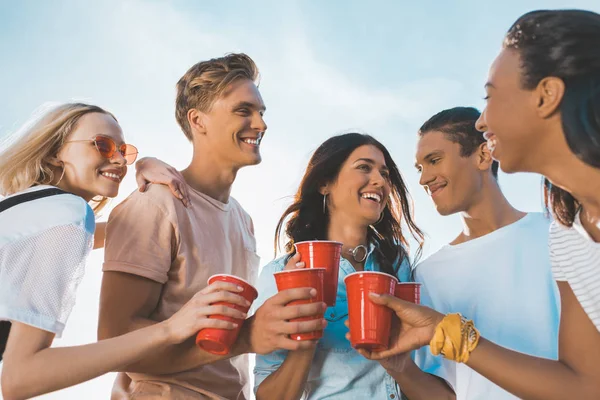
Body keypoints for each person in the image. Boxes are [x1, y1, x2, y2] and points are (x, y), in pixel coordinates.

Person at [356, 9, 600, 400]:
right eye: (418, 167)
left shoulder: (553, 235)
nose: (484, 122)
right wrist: (433, 345)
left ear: (547, 94)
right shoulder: (572, 238)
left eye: (490, 97)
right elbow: (586, 386)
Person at [98, 53, 326, 399]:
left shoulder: (242, 220)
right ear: (198, 120)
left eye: (261, 112)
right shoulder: (155, 204)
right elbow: (115, 343)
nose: (260, 124)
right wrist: (245, 337)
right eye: (243, 110)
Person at [0, 103, 241, 400]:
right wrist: (170, 329)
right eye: (102, 145)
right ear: (55, 152)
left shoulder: (28, 208)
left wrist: (146, 164)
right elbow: (19, 378)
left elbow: (115, 231)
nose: (119, 160)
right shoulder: (67, 214)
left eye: (123, 151)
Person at [379, 107, 559, 400]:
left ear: (483, 155)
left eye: (434, 160)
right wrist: (400, 368)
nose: (424, 179)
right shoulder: (428, 275)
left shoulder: (558, 234)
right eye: (420, 168)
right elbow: (446, 395)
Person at [253, 133, 424, 399]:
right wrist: (305, 332)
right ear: (324, 183)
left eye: (385, 173)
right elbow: (268, 396)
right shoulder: (280, 274)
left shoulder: (397, 264)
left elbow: (416, 370)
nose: (380, 181)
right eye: (364, 167)